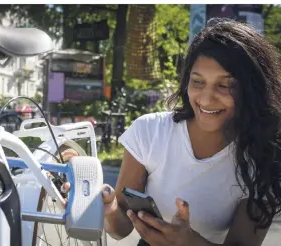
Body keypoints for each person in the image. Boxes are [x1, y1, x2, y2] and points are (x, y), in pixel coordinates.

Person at [100, 18, 281, 246]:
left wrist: (189, 242)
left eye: (225, 85)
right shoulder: (150, 131)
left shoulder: (264, 157)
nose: (206, 98)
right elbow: (120, 229)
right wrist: (107, 207)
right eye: (197, 81)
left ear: (252, 90)